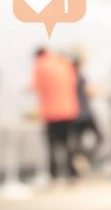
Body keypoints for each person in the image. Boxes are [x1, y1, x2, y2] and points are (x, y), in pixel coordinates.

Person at [33, 48, 79, 181]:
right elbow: (73, 84)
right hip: (69, 110)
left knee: (52, 145)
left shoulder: (40, 65)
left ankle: (54, 174)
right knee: (67, 144)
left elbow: (38, 87)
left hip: (51, 111)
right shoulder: (64, 64)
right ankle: (71, 173)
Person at [72, 56, 103, 171]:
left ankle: (81, 157)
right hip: (85, 113)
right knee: (100, 137)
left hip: (73, 114)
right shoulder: (80, 78)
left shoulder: (68, 78)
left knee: (77, 141)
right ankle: (86, 156)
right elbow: (89, 92)